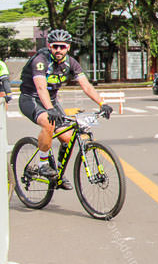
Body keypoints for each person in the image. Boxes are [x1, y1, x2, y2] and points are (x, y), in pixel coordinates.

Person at [18, 29, 112, 189]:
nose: (59, 50)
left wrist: (102, 103)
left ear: (68, 47)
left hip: (52, 101)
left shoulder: (71, 63)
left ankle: (57, 174)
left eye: (62, 47)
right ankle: (42, 164)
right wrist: (49, 109)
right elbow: (41, 89)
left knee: (68, 139)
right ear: (49, 46)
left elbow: (86, 86)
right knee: (48, 124)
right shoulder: (40, 60)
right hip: (31, 98)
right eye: (55, 47)